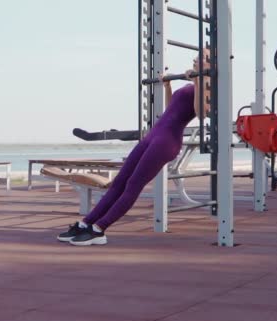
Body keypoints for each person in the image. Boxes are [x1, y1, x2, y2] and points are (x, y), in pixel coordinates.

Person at [58, 52, 211, 246]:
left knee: (133, 185)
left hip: (167, 142)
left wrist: (198, 82)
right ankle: (86, 223)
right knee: (119, 181)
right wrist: (167, 86)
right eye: (195, 58)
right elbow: (172, 108)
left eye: (201, 58)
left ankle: (100, 229)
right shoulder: (190, 84)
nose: (195, 59)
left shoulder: (208, 90)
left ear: (212, 62)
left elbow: (200, 113)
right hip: (154, 136)